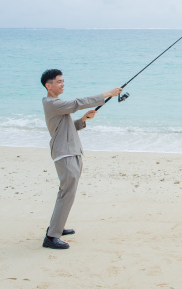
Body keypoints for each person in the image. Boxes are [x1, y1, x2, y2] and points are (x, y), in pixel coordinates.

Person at [40, 68, 122, 249]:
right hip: (65, 153)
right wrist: (109, 93)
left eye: (63, 81)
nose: (63, 84)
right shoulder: (52, 103)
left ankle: (56, 227)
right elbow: (78, 103)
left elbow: (69, 127)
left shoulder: (57, 104)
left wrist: (83, 119)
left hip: (71, 150)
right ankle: (52, 236)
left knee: (67, 193)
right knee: (66, 193)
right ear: (49, 85)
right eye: (59, 81)